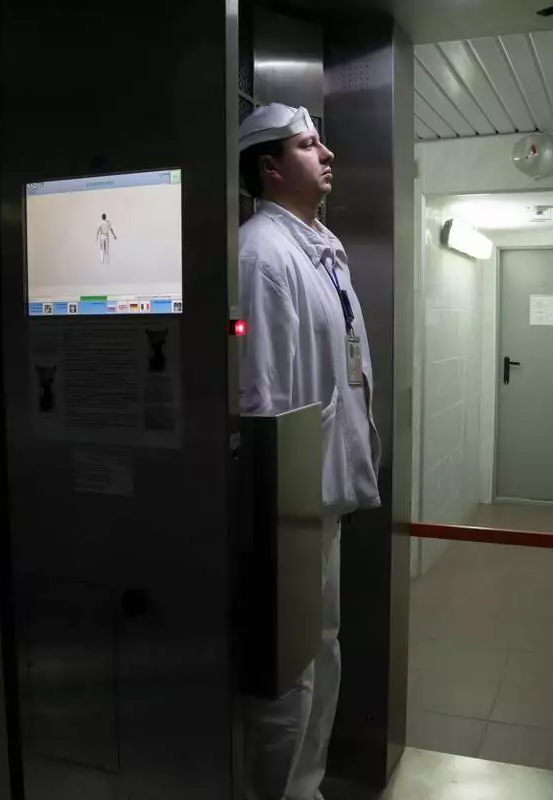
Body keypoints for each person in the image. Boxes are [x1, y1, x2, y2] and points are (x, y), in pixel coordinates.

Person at [238, 103, 381, 800]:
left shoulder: (319, 247)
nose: (327, 155)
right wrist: (277, 509)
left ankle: (306, 787)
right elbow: (260, 395)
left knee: (321, 648)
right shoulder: (261, 254)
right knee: (290, 665)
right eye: (307, 145)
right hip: (290, 501)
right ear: (270, 168)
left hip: (321, 496)